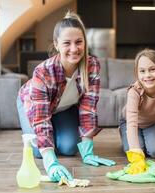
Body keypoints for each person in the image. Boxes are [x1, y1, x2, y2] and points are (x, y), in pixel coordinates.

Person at [17, 11, 116, 182]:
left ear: (85, 42)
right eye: (67, 43)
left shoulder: (92, 66)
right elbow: (41, 118)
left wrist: (87, 148)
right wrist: (51, 161)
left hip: (62, 108)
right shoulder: (43, 72)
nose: (74, 49)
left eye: (79, 42)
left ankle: (55, 134)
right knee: (39, 152)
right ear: (56, 44)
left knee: (70, 148)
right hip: (33, 105)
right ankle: (47, 143)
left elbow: (88, 107)